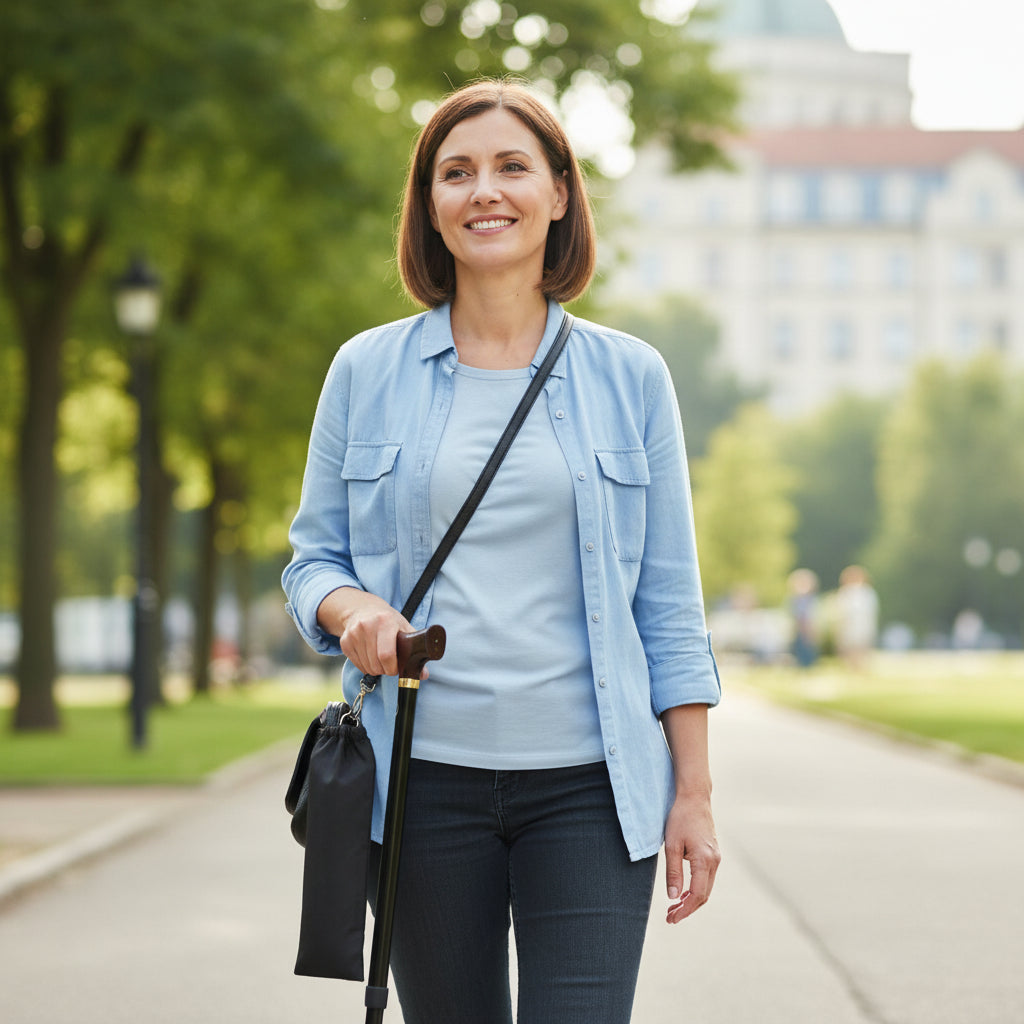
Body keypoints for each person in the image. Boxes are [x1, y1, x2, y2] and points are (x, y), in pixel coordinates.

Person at [282, 78, 721, 1024]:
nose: (484, 190)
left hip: (591, 792)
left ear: (559, 193)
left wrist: (693, 792)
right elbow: (312, 561)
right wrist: (355, 611)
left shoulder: (632, 377)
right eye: (457, 172)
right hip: (421, 788)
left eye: (512, 167)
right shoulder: (365, 370)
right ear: (430, 204)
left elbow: (669, 605)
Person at [834, 564, 879, 670]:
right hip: (849, 626)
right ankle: (853, 668)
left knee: (862, 648)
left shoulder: (867, 592)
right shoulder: (846, 592)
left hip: (863, 626)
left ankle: (860, 668)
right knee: (850, 649)